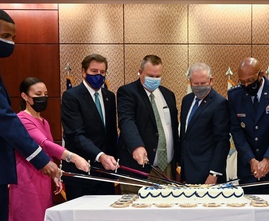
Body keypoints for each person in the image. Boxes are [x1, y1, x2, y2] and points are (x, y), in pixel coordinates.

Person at [0, 9, 59, 221]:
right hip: (27, 176)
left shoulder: (44, 119)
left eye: (13, 38)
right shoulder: (24, 117)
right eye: (5, 36)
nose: (10, 43)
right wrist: (45, 159)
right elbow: (5, 120)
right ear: (25, 96)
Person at [9, 77, 90, 221]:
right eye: (38, 94)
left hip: (43, 177)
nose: (43, 98)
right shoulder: (21, 119)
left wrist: (54, 174)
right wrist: (73, 157)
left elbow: (48, 152)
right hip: (27, 179)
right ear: (24, 96)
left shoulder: (44, 121)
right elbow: (44, 144)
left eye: (45, 94)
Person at [228, 57, 269, 194]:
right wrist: (251, 160)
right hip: (248, 168)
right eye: (242, 81)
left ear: (261, 74)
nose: (246, 85)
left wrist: (267, 160)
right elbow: (236, 131)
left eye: (250, 80)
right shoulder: (235, 95)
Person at [117, 54, 179, 193]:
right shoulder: (128, 92)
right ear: (140, 72)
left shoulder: (168, 95)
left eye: (158, 77)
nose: (154, 80)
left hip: (166, 169)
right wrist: (137, 146)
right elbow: (126, 121)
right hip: (139, 169)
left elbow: (173, 128)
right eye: (151, 76)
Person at [61, 54, 118, 200]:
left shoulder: (109, 96)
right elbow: (76, 134)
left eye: (102, 72)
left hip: (106, 173)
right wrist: (100, 156)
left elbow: (110, 133)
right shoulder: (71, 96)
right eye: (94, 71)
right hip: (82, 171)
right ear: (83, 71)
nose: (98, 75)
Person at [179, 63, 229, 184]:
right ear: (190, 82)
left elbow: (222, 141)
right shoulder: (187, 100)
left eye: (203, 83)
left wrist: (214, 173)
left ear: (211, 81)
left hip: (208, 174)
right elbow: (185, 136)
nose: (199, 87)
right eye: (196, 84)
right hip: (188, 170)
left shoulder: (219, 103)